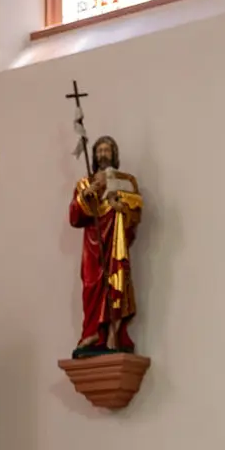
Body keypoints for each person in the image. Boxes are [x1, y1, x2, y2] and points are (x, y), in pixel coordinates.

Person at [69, 134, 142, 356]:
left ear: (114, 154)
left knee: (117, 284)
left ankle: (113, 334)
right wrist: (86, 195)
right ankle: (92, 333)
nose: (103, 154)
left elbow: (135, 212)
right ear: (94, 155)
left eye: (106, 150)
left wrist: (121, 206)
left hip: (116, 243)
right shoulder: (85, 184)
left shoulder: (126, 182)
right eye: (99, 150)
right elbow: (74, 218)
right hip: (93, 246)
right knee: (92, 287)